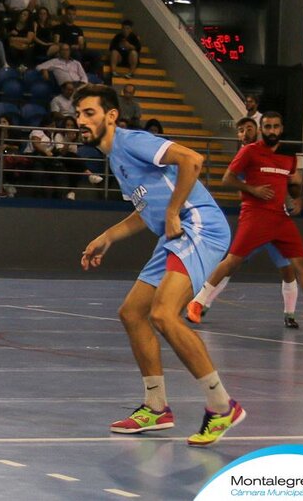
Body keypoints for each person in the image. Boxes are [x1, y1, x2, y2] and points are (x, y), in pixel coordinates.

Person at [75, 83, 244, 447]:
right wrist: (107, 236)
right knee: (132, 313)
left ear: (111, 115)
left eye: (88, 113)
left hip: (198, 226)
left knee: (164, 315)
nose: (81, 121)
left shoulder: (132, 141)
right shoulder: (115, 159)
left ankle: (221, 405)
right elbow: (143, 212)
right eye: (78, 115)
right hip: (173, 235)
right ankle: (156, 407)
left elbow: (192, 160)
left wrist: (171, 210)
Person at [187, 112, 303, 331]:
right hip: (255, 215)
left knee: (300, 264)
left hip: (280, 218)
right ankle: (197, 302)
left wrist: (297, 195)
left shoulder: (289, 157)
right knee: (232, 261)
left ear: (281, 129)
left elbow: (292, 184)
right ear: (262, 129)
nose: (272, 131)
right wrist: (252, 189)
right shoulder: (250, 151)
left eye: (276, 127)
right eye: (268, 127)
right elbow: (227, 178)